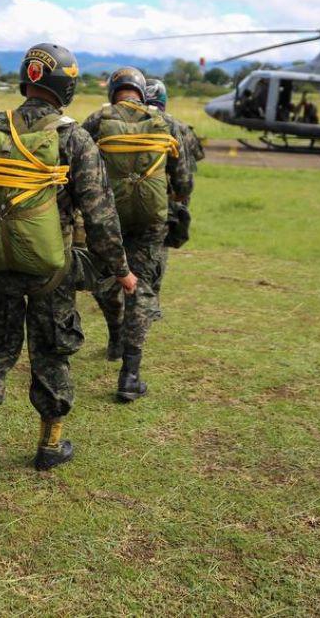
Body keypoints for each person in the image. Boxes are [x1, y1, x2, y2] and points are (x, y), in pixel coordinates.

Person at [0, 43, 136, 493]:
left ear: (25, 81)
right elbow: (101, 215)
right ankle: (50, 444)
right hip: (53, 270)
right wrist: (121, 271)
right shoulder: (73, 138)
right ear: (65, 88)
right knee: (51, 352)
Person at [84, 67, 193, 398]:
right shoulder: (167, 123)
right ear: (142, 92)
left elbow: (78, 167)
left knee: (105, 279)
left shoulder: (96, 121)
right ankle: (130, 375)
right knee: (140, 290)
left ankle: (116, 333)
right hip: (150, 224)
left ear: (113, 92)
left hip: (106, 220)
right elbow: (184, 182)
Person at [144, 77, 205, 169]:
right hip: (169, 180)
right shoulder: (179, 127)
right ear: (163, 99)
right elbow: (198, 155)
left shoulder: (127, 124)